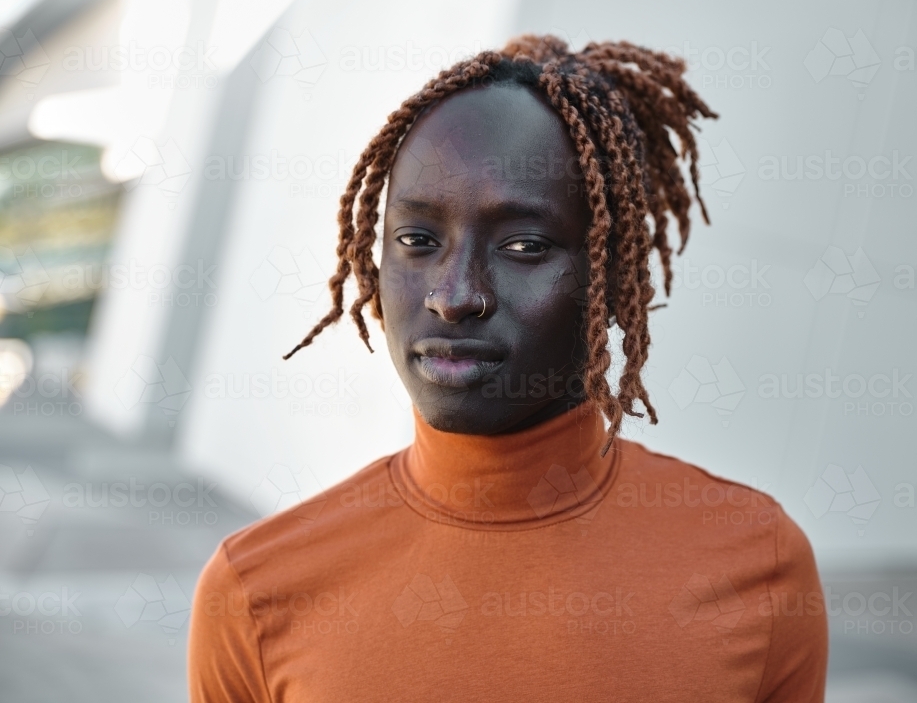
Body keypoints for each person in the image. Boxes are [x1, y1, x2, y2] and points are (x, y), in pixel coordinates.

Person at [188, 35, 828, 702]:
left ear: (607, 275)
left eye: (523, 245)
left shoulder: (759, 565)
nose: (454, 294)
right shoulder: (256, 593)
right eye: (417, 241)